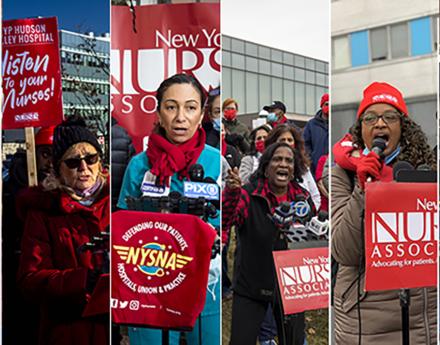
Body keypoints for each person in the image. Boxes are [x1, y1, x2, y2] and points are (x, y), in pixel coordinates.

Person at [118, 73, 220, 345]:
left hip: (205, 282)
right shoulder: (139, 166)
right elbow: (123, 226)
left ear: (201, 115)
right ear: (159, 113)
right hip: (151, 282)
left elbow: (226, 222)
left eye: (190, 107)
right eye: (171, 106)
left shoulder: (216, 162)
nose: (180, 117)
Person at [332, 82, 436, 344]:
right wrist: (363, 188)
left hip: (424, 320)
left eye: (390, 117)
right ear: (360, 130)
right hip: (366, 324)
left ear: (403, 127)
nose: (380, 124)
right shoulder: (340, 175)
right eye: (370, 117)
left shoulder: (425, 171)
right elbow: (345, 251)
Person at [17, 117, 110, 345]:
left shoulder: (114, 202)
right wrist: (81, 281)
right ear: (58, 169)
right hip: (68, 331)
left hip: (113, 327)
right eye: (72, 162)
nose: (83, 168)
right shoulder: (43, 213)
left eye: (91, 158)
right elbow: (29, 279)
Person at [223, 142, 316, 345]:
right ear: (265, 168)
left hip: (291, 287)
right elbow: (226, 220)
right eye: (277, 159)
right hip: (251, 285)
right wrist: (231, 194)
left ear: (294, 170)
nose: (283, 164)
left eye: (289, 161)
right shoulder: (248, 194)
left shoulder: (303, 198)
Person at [2, 126, 55, 345]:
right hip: (17, 272)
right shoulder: (14, 183)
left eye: (55, 155)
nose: (50, 162)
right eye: (45, 154)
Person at [265, 124, 321, 210]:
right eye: (282, 140)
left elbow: (315, 196)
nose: (286, 143)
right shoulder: (266, 167)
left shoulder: (304, 168)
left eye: (290, 140)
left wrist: (306, 213)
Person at [303, 93, 329, 176]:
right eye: (326, 104)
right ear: (321, 106)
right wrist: (311, 159)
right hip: (315, 167)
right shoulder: (311, 124)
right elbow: (305, 144)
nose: (328, 107)